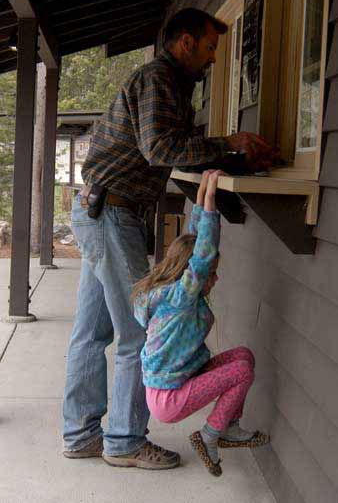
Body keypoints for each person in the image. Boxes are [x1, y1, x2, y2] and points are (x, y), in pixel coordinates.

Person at [62, 7, 279, 470]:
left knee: (93, 331)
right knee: (140, 332)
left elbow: (170, 146)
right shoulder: (160, 80)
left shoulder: (172, 85)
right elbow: (160, 148)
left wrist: (230, 157)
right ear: (184, 42)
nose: (213, 58)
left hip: (99, 209)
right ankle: (123, 441)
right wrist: (228, 144)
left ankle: (80, 435)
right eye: (209, 46)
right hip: (112, 214)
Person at [132, 170, 269, 477]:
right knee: (242, 371)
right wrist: (210, 202)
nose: (215, 278)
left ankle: (228, 427)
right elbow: (202, 254)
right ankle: (209, 436)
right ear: (192, 276)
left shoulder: (174, 293)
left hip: (179, 378)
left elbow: (194, 243)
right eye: (211, 275)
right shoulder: (180, 299)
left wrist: (203, 196)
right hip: (170, 398)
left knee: (244, 356)